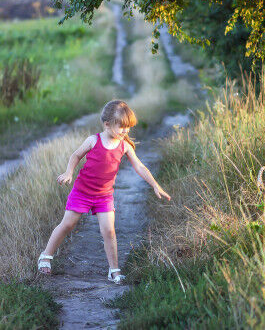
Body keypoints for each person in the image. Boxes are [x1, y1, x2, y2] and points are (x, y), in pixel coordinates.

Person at [37, 100, 171, 284]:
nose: (125, 131)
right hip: (82, 192)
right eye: (121, 127)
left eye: (128, 127)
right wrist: (69, 172)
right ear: (107, 124)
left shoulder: (125, 146)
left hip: (104, 196)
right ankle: (46, 255)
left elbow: (139, 166)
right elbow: (75, 155)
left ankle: (114, 270)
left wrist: (155, 185)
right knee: (67, 224)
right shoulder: (93, 140)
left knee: (109, 231)